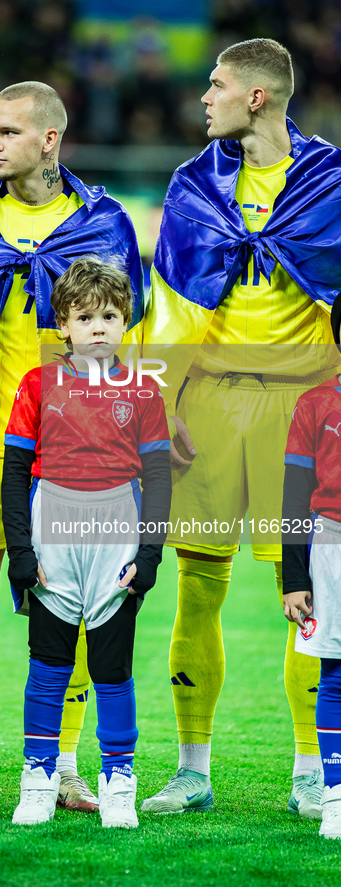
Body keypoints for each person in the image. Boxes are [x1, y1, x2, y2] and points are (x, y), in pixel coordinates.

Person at [0, 81, 144, 811]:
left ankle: (65, 766)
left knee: (80, 606)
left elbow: (126, 343)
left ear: (49, 139)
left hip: (74, 453)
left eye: (9, 131)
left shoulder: (100, 223)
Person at [141, 38, 341, 816]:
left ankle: (311, 769)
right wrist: (161, 404)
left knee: (310, 591)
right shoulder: (194, 183)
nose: (204, 97)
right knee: (197, 586)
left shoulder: (330, 180)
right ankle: (192, 769)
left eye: (216, 85)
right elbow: (172, 306)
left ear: (255, 97)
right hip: (210, 408)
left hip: (304, 410)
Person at [1, 257, 171, 828]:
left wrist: (148, 555)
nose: (98, 327)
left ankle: (118, 777)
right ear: (63, 325)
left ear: (126, 321)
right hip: (53, 526)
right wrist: (21, 554)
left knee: (112, 669)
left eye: (109, 315)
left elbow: (160, 478)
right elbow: (15, 473)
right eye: (84, 316)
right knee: (48, 665)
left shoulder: (144, 391)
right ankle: (38, 776)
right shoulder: (36, 385)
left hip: (117, 529)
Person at [282, 295, 341, 839]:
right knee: (336, 674)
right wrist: (294, 578)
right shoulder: (316, 404)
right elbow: (296, 495)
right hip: (329, 547)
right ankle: (336, 795)